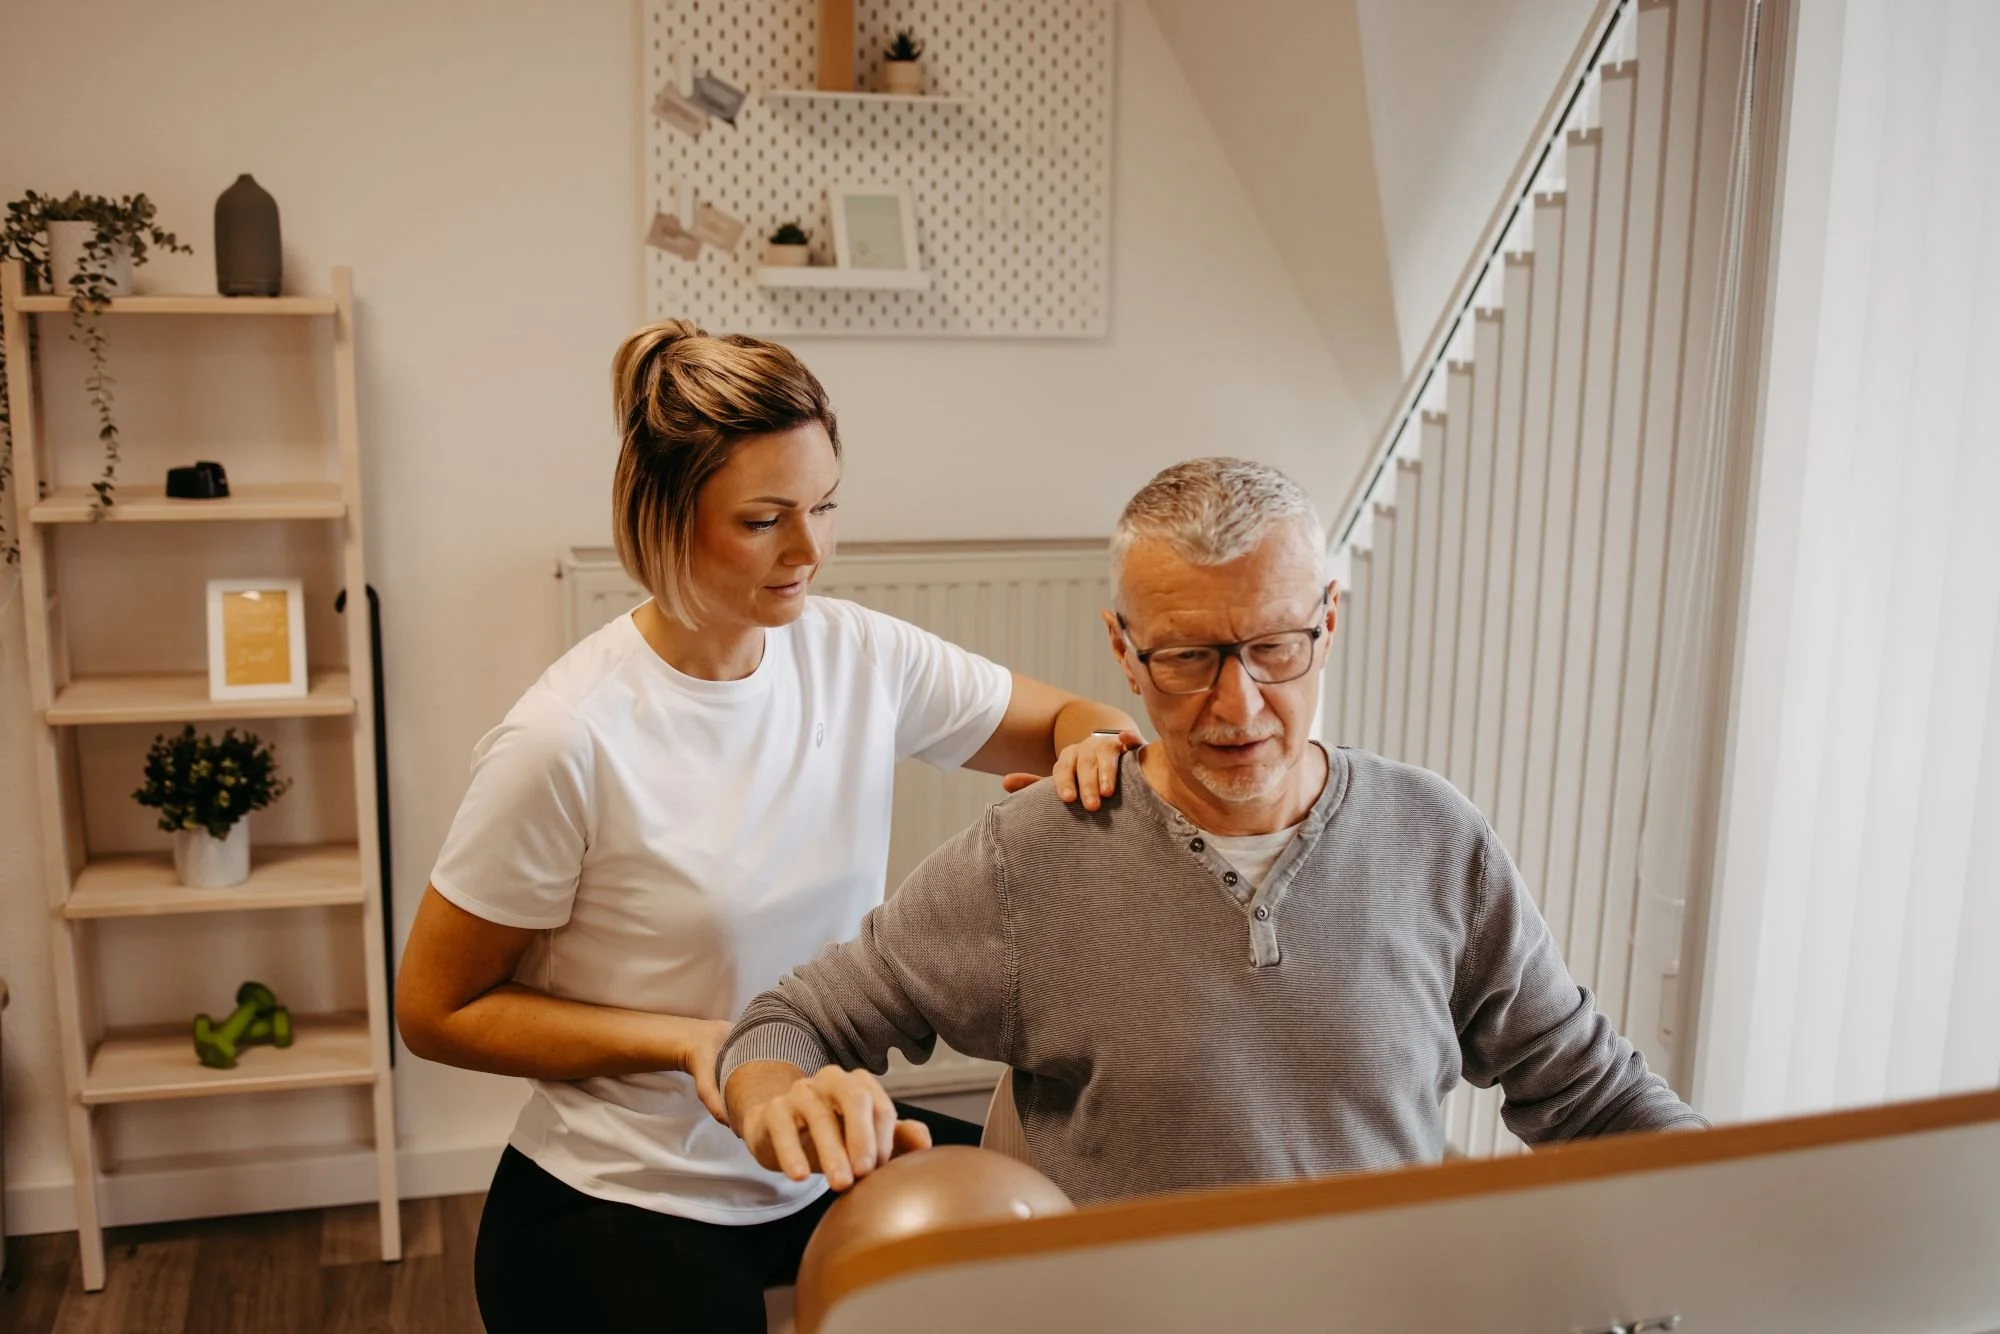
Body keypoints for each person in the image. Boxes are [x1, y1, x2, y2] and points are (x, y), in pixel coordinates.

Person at [394, 321, 1142, 1334]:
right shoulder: (565, 738)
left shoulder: (856, 656)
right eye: (763, 518)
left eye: (825, 504)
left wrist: (1094, 753)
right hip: (621, 1195)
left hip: (812, 1148)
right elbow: (435, 1007)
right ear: (661, 514)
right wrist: (695, 1043)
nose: (809, 549)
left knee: (1042, 1263)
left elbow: (1073, 717)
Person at [719, 456, 1705, 1205]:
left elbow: (1586, 1094)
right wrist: (777, 1095)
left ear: (1327, 618)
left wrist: (1737, 1207)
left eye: (1274, 646)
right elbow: (787, 1024)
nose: (1236, 703)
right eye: (1188, 655)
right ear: (1122, 647)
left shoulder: (1435, 838)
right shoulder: (1035, 855)